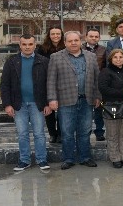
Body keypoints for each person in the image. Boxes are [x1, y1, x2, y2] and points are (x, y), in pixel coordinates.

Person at [47, 31, 101, 170]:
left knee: (85, 131)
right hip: (65, 101)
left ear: (80, 41)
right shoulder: (56, 57)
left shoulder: (91, 56)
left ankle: (85, 157)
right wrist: (52, 99)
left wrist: (98, 96)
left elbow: (97, 79)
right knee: (67, 132)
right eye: (70, 41)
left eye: (76, 40)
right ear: (65, 42)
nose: (73, 43)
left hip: (87, 100)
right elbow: (51, 80)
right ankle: (68, 159)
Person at [0, 34, 51, 171]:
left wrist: (47, 103)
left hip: (37, 104)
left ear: (35, 45)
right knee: (22, 134)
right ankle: (24, 160)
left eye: (30, 44)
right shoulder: (11, 62)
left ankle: (42, 160)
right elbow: (5, 85)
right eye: (24, 44)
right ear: (20, 46)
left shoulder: (44, 61)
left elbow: (49, 84)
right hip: (18, 104)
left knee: (39, 133)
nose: (27, 47)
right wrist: (7, 104)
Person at [98, 49, 123, 168]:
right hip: (111, 107)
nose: (118, 59)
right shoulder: (105, 72)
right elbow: (104, 89)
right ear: (110, 59)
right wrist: (122, 92)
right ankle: (115, 158)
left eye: (121, 57)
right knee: (112, 134)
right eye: (115, 57)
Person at [36, 25, 65, 144]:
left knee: (63, 111)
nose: (55, 36)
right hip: (47, 81)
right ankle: (53, 134)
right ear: (49, 35)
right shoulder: (42, 49)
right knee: (49, 111)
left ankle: (62, 133)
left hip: (63, 82)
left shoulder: (66, 47)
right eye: (53, 34)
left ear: (61, 35)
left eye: (58, 34)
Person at [83, 28, 107, 142]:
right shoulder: (80, 48)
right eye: (91, 36)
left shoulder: (104, 50)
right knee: (85, 110)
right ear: (86, 37)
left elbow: (106, 66)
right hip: (84, 83)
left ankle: (99, 132)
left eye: (96, 36)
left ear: (99, 38)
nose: (94, 38)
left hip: (99, 83)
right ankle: (85, 132)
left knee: (99, 109)